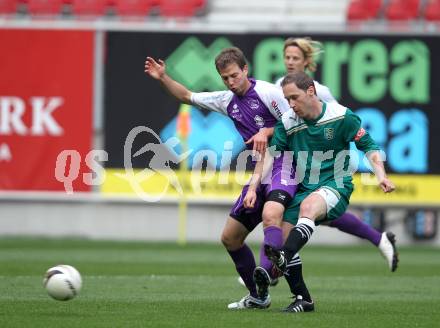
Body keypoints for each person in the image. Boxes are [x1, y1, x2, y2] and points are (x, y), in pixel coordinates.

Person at [145, 47, 296, 310]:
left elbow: (295, 120)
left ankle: (271, 269)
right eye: (225, 77)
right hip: (259, 169)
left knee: (272, 216)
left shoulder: (269, 93)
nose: (231, 82)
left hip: (285, 163)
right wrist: (163, 78)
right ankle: (258, 296)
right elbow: (187, 96)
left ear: (246, 70)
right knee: (230, 237)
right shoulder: (227, 100)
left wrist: (267, 132)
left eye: (235, 75)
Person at [263, 71, 395, 312]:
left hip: (337, 184)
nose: (290, 105)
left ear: (311, 91)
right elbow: (273, 156)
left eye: (294, 97)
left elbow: (370, 147)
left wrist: (381, 176)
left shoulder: (342, 116)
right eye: (287, 99)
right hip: (305, 187)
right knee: (285, 232)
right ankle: (303, 299)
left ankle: (282, 257)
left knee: (308, 208)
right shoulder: (288, 122)